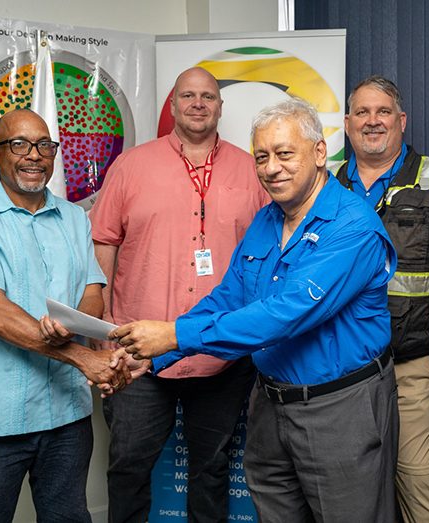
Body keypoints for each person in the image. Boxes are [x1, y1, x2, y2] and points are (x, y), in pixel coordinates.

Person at [109, 97, 400, 522]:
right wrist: (155, 354)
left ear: (319, 153)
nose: (271, 168)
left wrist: (173, 335)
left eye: (285, 154)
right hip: (270, 405)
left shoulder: (353, 226)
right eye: (261, 157)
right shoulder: (267, 220)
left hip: (339, 408)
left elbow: (287, 313)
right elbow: (229, 298)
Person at [89, 67, 268, 523]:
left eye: (208, 96)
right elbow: (103, 242)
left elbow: (269, 255)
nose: (197, 104)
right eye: (188, 95)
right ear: (172, 105)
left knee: (211, 470)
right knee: (128, 467)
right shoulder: (131, 165)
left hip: (219, 352)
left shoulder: (252, 171)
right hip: (136, 353)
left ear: (220, 108)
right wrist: (104, 326)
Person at [0, 108, 130, 522]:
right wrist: (84, 358)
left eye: (45, 145)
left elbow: (92, 290)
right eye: (20, 144)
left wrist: (72, 325)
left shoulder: (74, 217)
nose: (34, 155)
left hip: (66, 417)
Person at [338, 75, 429, 523]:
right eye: (362, 112)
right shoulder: (326, 186)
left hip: (412, 366)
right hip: (344, 373)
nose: (373, 122)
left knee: (418, 479)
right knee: (351, 487)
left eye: (383, 112)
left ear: (401, 121)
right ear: (347, 123)